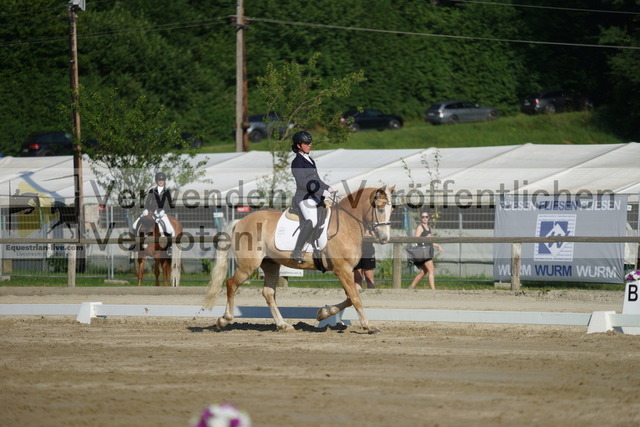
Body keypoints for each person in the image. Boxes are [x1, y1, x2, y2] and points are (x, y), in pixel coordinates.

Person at [290, 130, 337, 263]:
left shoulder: (309, 159)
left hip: (314, 197)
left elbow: (317, 179)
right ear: (299, 145)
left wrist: (328, 188)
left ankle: (317, 247)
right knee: (312, 220)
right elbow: (303, 183)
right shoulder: (297, 162)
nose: (309, 145)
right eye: (306, 143)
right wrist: (321, 192)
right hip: (304, 198)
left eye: (310, 143)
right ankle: (297, 251)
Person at [133, 171, 175, 255]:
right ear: (156, 181)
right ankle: (135, 243)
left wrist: (164, 210)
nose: (160, 181)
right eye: (159, 180)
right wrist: (146, 209)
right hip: (151, 212)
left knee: (170, 229)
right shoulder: (152, 191)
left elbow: (169, 204)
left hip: (162, 213)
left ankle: (169, 246)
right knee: (134, 224)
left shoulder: (167, 191)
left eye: (162, 180)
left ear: (164, 181)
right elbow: (147, 202)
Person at [408, 211, 443, 290]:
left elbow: (430, 241)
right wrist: (426, 237)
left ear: (428, 218)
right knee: (431, 269)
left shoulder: (428, 228)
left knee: (424, 271)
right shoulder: (420, 227)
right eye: (423, 217)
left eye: (426, 217)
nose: (425, 218)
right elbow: (416, 239)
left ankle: (411, 287)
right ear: (420, 218)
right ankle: (433, 290)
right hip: (423, 252)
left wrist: (438, 246)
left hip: (428, 251)